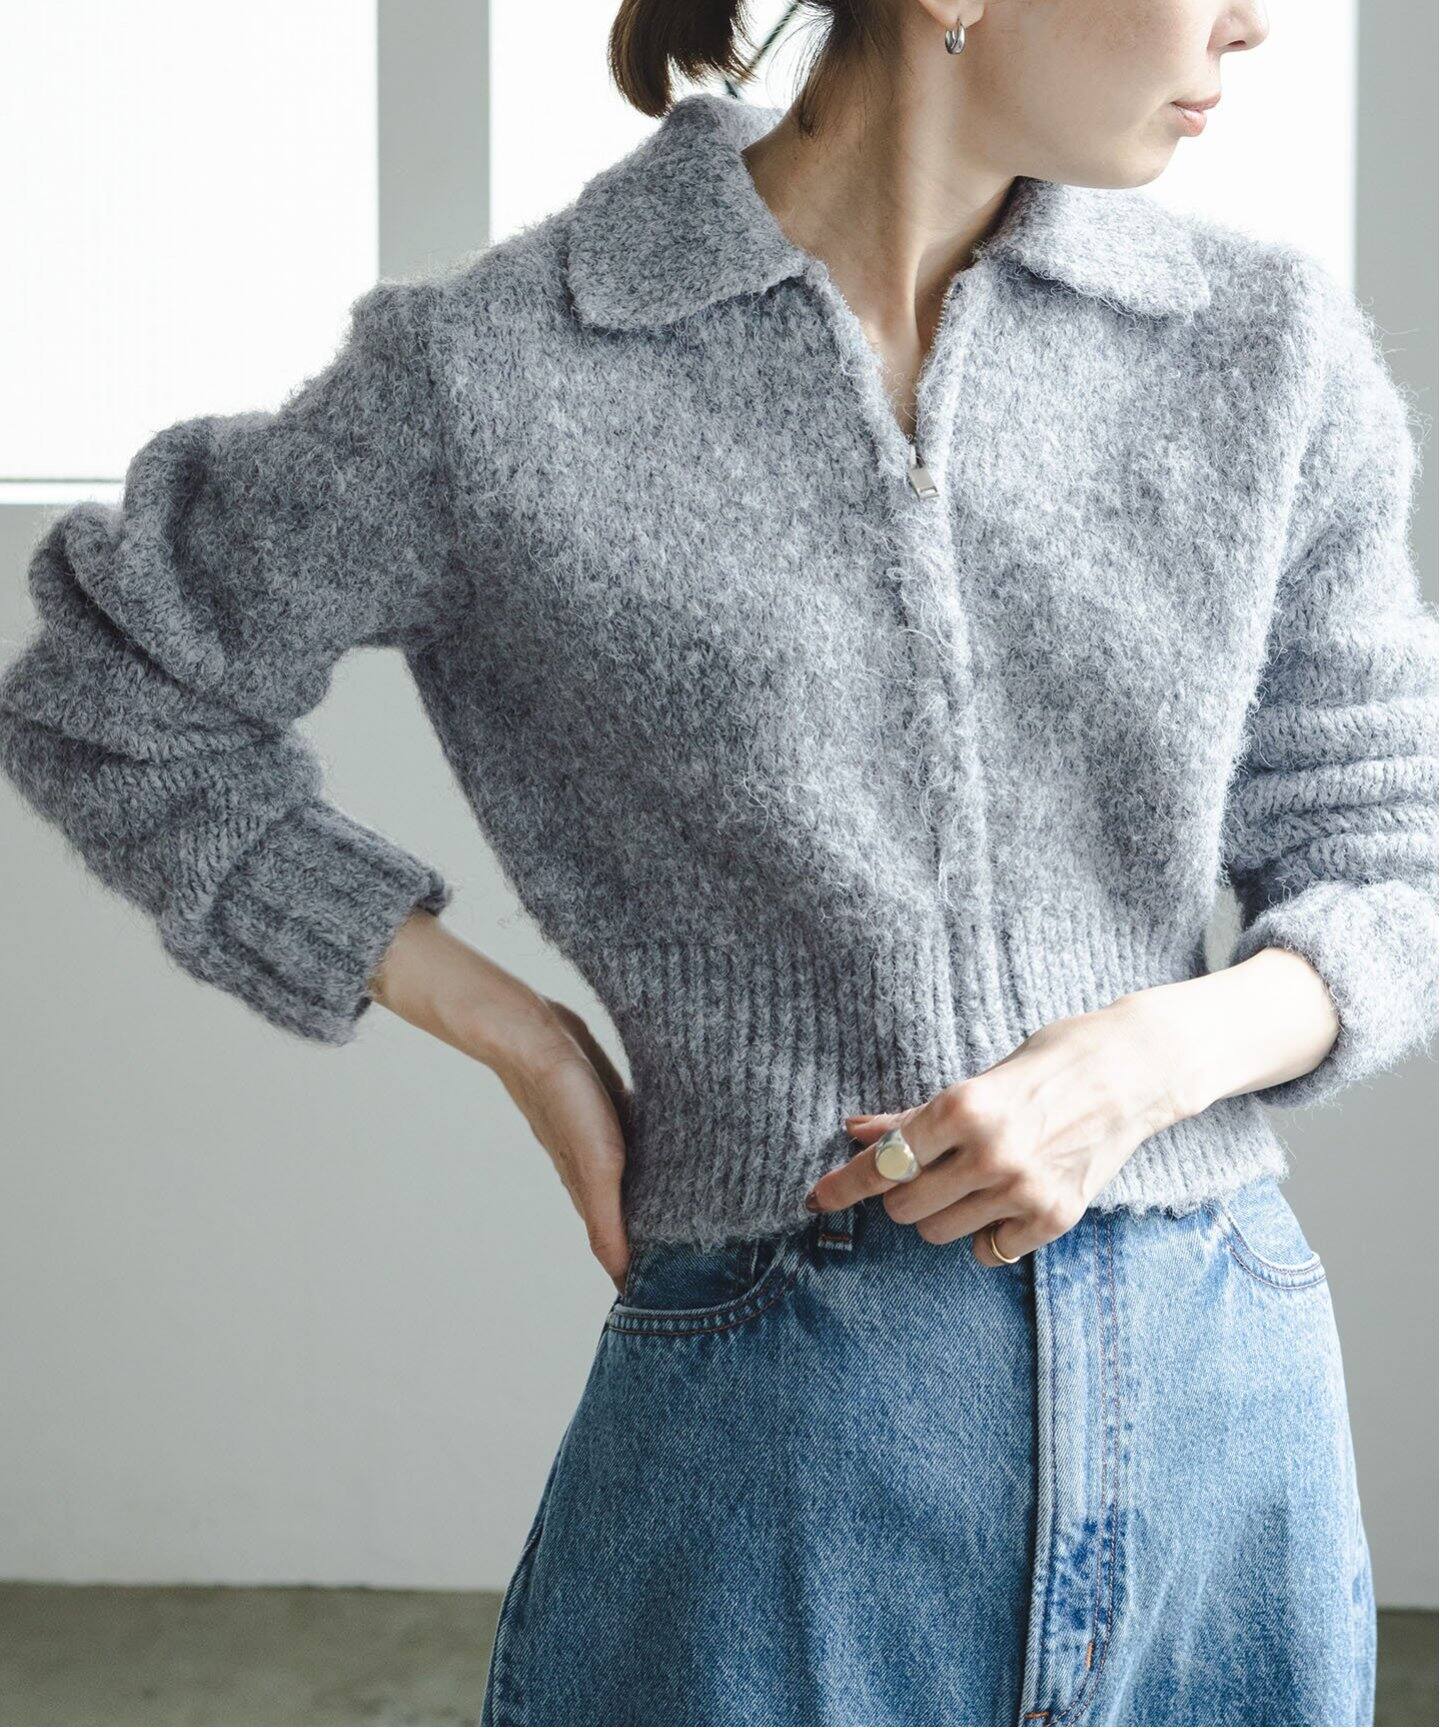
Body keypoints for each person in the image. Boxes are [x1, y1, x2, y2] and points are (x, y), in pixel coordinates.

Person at [1, 0, 1434, 1722]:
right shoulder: (496, 374)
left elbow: (1395, 860)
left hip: (1229, 1426)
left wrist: (1146, 1061)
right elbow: (109, 694)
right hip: (781, 1431)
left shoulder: (1266, 350)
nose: (1252, 22)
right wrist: (516, 1033)